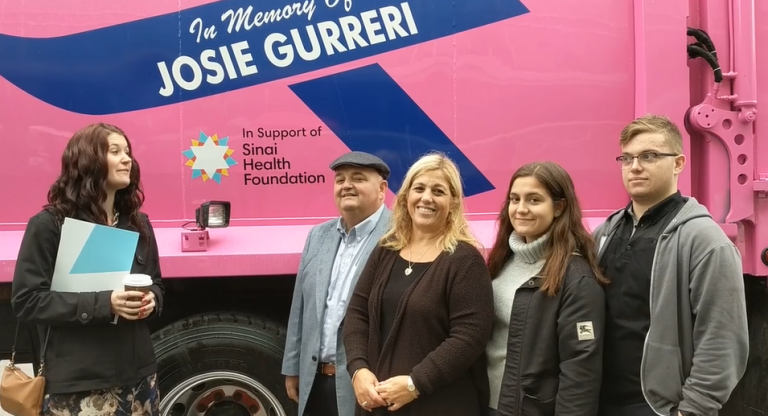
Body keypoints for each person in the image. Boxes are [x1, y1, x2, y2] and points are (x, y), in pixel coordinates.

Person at [595, 114, 749, 416]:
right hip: (599, 402)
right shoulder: (605, 233)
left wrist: (690, 411)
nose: (635, 166)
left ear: (678, 163)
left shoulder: (704, 241)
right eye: (626, 158)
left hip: (658, 408)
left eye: (649, 156)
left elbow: (721, 341)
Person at [11, 123, 164, 415]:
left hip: (141, 380)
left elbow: (157, 284)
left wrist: (152, 300)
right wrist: (106, 303)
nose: (127, 159)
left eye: (128, 152)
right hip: (79, 385)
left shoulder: (139, 223)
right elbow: (27, 301)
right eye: (115, 151)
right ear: (88, 161)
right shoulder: (49, 225)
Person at [342, 152, 494, 416]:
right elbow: (357, 312)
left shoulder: (465, 260)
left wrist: (415, 383)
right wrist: (358, 369)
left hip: (440, 405)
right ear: (406, 197)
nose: (426, 198)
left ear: (454, 203)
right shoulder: (386, 250)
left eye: (439, 191)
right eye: (419, 188)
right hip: (378, 404)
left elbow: (470, 336)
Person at [484, 161, 607, 416]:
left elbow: (580, 371)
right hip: (486, 404)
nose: (520, 209)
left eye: (534, 200)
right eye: (514, 199)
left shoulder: (576, 279)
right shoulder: (501, 260)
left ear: (559, 207)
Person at [282, 151, 393, 416]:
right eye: (340, 179)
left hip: (368, 386)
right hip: (315, 382)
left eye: (358, 178)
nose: (346, 185)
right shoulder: (318, 236)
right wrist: (292, 368)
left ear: (382, 189)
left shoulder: (399, 236)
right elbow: (300, 306)